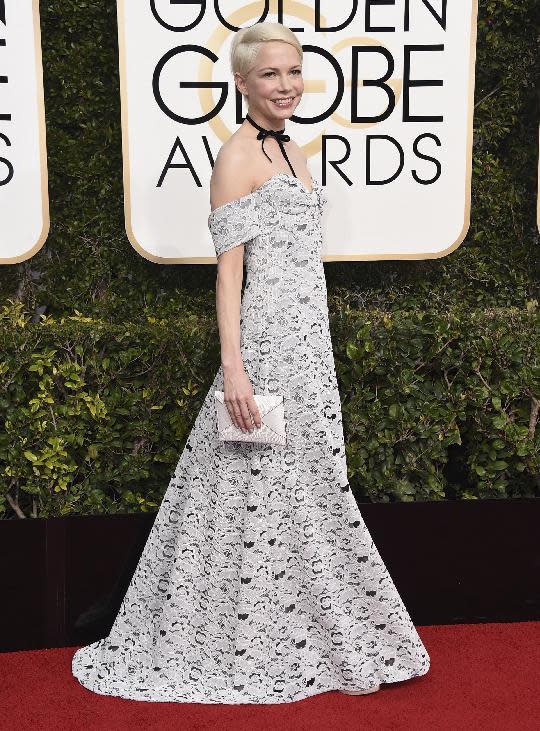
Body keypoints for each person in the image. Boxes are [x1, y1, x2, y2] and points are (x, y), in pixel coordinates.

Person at [71, 22, 430, 705]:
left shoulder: (292, 147)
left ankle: (292, 627)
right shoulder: (237, 156)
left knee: (303, 484)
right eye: (270, 74)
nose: (287, 85)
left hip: (308, 345)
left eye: (293, 71)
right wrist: (234, 368)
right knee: (249, 486)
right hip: (265, 350)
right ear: (241, 82)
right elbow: (229, 274)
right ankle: (232, 633)